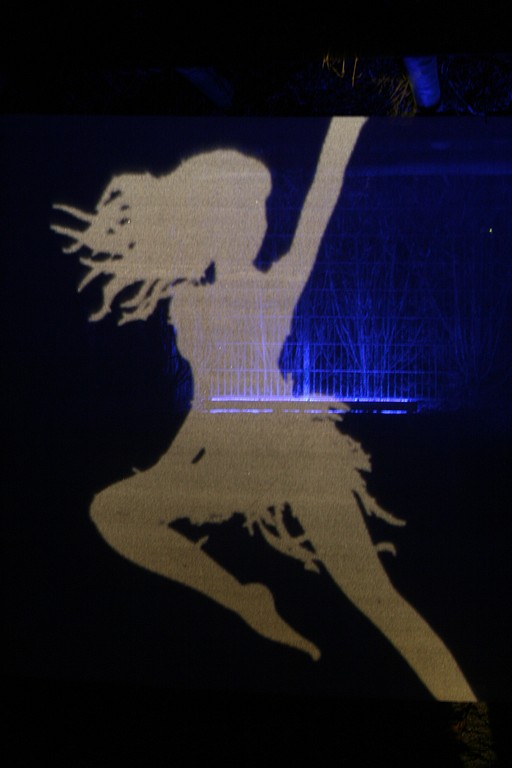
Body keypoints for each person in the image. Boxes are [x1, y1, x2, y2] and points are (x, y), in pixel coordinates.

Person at [51, 118, 475, 700]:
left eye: (262, 209)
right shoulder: (189, 305)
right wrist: (173, 470)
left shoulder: (276, 284)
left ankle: (472, 726)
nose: (261, 221)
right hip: (224, 458)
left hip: (295, 456)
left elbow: (321, 201)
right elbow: (205, 402)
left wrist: (342, 133)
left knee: (378, 599)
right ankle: (245, 599)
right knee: (113, 511)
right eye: (250, 208)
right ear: (217, 220)